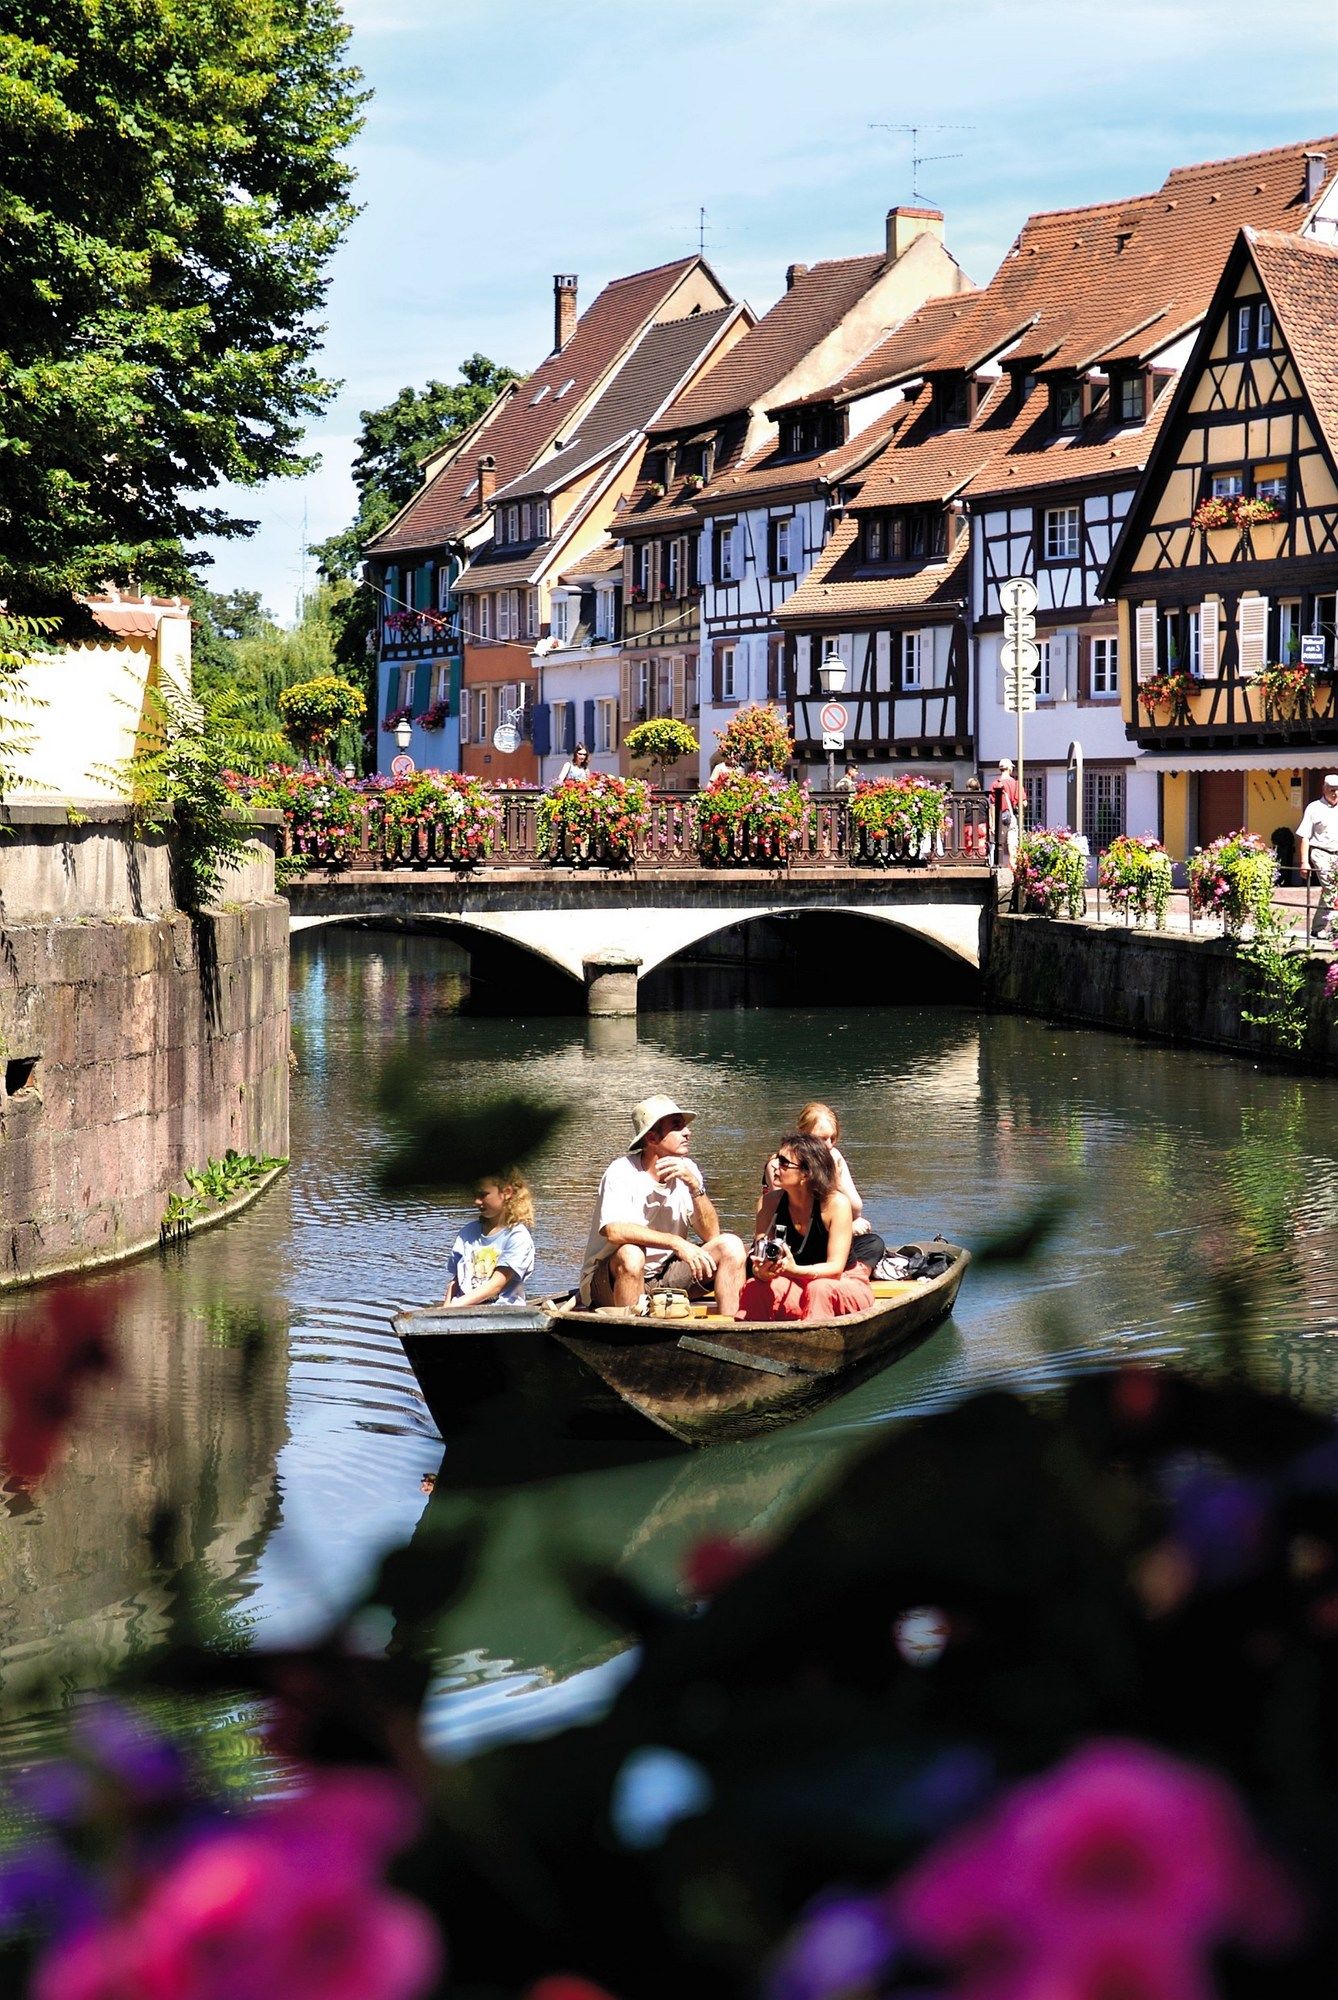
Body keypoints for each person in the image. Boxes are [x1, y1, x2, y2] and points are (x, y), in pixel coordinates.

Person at [577, 1096, 746, 1314]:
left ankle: (729, 1331)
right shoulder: (621, 1171)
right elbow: (614, 1231)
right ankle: (632, 1334)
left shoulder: (688, 1169)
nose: (687, 1132)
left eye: (684, 1126)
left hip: (665, 1275)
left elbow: (712, 1235)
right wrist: (676, 1243)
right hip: (611, 1278)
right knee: (632, 1254)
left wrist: (696, 1188)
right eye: (677, 1126)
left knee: (730, 1245)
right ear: (652, 1137)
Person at [738, 1133, 875, 1322]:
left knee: (819, 1289)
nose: (776, 1166)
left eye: (784, 1163)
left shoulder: (836, 1204)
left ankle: (816, 1345)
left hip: (843, 1281)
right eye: (777, 1159)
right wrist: (762, 1272)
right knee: (756, 1287)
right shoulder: (768, 1203)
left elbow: (835, 1269)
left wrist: (795, 1271)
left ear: (806, 1173)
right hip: (795, 1282)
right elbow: (760, 1256)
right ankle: (747, 1340)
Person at [761, 1102, 885, 1275]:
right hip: (793, 1242)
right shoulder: (780, 1167)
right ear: (802, 1135)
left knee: (873, 1243)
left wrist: (837, 1182)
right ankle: (843, 1273)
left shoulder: (835, 1158)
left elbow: (856, 1209)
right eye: (821, 1139)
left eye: (832, 1139)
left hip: (825, 1232)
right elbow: (786, 1215)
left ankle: (848, 1272)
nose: (827, 1146)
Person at [441, 1172, 536, 1309]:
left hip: (502, 1312)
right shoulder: (467, 1233)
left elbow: (495, 1286)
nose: (477, 1201)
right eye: (475, 1195)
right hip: (461, 1310)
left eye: (483, 1195)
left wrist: (454, 1307)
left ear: (506, 1192)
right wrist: (444, 1310)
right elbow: (457, 1280)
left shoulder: (517, 1236)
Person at [1297, 773, 1338, 939]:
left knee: (1329, 892)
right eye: (1332, 790)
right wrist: (1304, 862)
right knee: (1331, 889)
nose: (1335, 793)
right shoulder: (1314, 808)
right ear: (1324, 789)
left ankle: (1317, 927)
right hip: (1321, 852)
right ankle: (1334, 928)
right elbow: (1305, 836)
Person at [990, 758, 1022, 866]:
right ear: (1009, 768)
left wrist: (992, 823)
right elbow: (1024, 803)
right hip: (1011, 817)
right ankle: (1014, 867)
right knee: (1012, 844)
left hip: (999, 818)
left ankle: (999, 866)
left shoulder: (995, 784)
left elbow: (992, 805)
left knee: (999, 843)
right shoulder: (1015, 783)